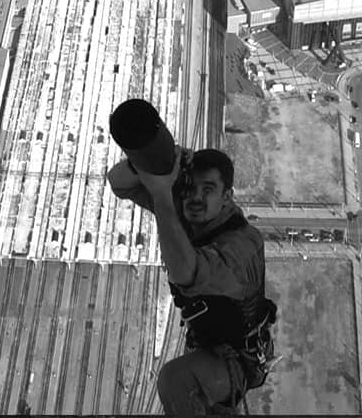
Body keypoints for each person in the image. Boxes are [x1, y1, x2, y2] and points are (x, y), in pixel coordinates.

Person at [109, 147, 273, 415]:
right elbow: (119, 182)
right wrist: (158, 159)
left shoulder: (241, 248)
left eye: (208, 189)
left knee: (175, 380)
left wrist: (161, 195)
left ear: (227, 197)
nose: (196, 197)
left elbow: (185, 272)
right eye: (190, 187)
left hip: (240, 360)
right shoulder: (191, 211)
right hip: (206, 343)